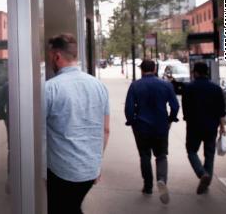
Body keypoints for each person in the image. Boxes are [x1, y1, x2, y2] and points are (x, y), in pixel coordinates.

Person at [45, 34, 110, 214]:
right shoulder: (99, 86)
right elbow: (105, 130)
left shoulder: (50, 88)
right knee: (72, 207)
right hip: (89, 170)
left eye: (50, 56)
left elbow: (38, 134)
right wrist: (96, 164)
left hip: (61, 172)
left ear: (57, 56)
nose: (50, 60)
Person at [125, 59, 179, 204]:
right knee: (161, 155)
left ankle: (147, 186)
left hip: (142, 126)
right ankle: (161, 180)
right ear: (154, 69)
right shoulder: (166, 85)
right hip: (161, 126)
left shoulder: (135, 85)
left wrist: (132, 121)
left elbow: (129, 108)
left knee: (144, 155)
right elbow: (175, 106)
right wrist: (170, 119)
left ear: (142, 70)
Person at [182, 62, 226, 194]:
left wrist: (187, 119)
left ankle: (202, 174)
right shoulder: (216, 89)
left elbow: (185, 108)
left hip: (194, 127)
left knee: (191, 151)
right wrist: (222, 127)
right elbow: (221, 111)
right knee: (209, 155)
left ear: (195, 72)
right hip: (211, 127)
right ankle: (206, 182)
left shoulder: (189, 88)